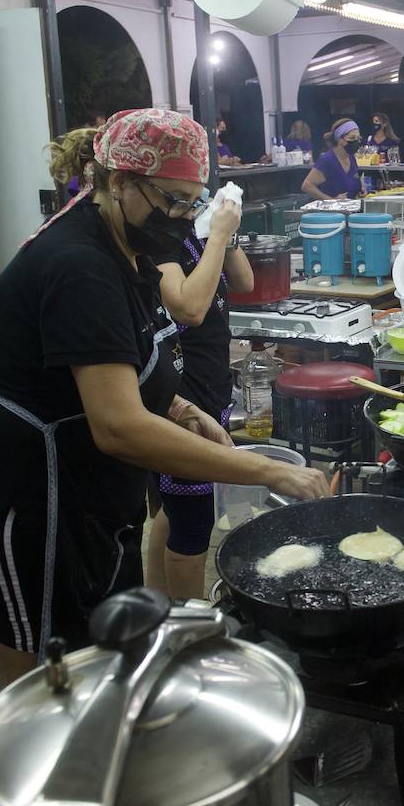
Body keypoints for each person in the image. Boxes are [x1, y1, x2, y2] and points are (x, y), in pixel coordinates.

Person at [0, 109, 329, 681]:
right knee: (50, 669)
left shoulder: (128, 247)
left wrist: (179, 406)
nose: (179, 217)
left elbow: (121, 358)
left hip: (87, 487)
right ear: (118, 181)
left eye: (191, 204)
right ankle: (49, 766)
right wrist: (261, 471)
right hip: (23, 491)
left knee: (102, 644)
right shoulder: (79, 266)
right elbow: (117, 424)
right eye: (170, 200)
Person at [145, 188, 255, 600]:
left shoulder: (199, 233)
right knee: (192, 520)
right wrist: (220, 236)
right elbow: (188, 309)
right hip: (181, 390)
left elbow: (244, 281)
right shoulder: (158, 240)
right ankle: (190, 630)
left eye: (198, 198)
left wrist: (227, 234)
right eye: (187, 198)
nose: (195, 205)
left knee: (174, 512)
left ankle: (157, 607)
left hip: (210, 383)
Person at [301, 118, 367, 202]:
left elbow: (349, 182)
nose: (356, 141)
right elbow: (307, 186)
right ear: (340, 139)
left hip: (350, 210)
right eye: (352, 138)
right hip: (331, 213)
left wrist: (359, 190)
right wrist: (331, 201)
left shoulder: (351, 158)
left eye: (358, 138)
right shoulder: (327, 161)